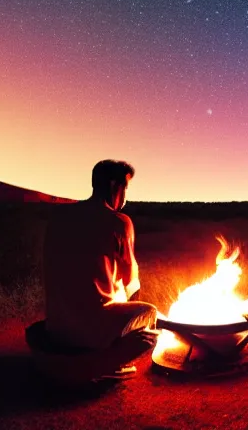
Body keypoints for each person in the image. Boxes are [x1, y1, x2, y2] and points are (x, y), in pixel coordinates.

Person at [38, 159, 158, 383]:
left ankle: (83, 355)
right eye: (125, 189)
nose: (125, 198)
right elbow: (130, 280)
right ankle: (108, 363)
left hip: (55, 329)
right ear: (115, 186)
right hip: (90, 334)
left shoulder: (58, 217)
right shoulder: (119, 222)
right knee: (149, 317)